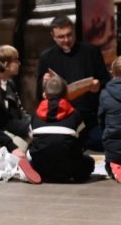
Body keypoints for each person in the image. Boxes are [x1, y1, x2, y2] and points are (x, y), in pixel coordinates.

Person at [35, 15, 109, 150]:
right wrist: (44, 84)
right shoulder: (46, 57)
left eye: (69, 35)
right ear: (53, 36)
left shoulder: (91, 51)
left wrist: (98, 85)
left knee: (100, 142)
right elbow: (39, 96)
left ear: (74, 32)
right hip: (62, 118)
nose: (66, 40)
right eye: (61, 37)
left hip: (89, 116)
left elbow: (106, 81)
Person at [26, 72, 95, 184]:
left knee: (31, 160)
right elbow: (83, 140)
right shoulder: (75, 114)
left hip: (41, 167)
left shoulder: (35, 115)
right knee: (89, 162)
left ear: (44, 95)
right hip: (68, 168)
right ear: (67, 94)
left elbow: (32, 140)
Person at [0, 45, 31, 139]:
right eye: (16, 60)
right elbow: (1, 120)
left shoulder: (10, 84)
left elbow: (20, 111)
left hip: (16, 128)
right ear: (6, 64)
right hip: (2, 132)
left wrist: (31, 124)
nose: (19, 63)